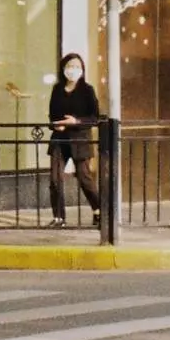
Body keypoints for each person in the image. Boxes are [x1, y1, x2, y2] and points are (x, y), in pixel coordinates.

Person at [48, 52, 102, 227]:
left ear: (82, 69)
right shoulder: (57, 89)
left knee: (84, 177)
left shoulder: (87, 90)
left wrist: (76, 121)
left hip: (80, 140)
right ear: (63, 68)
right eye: (70, 66)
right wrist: (56, 125)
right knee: (55, 178)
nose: (73, 70)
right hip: (60, 139)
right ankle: (59, 217)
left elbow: (94, 117)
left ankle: (99, 210)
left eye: (77, 67)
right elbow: (52, 115)